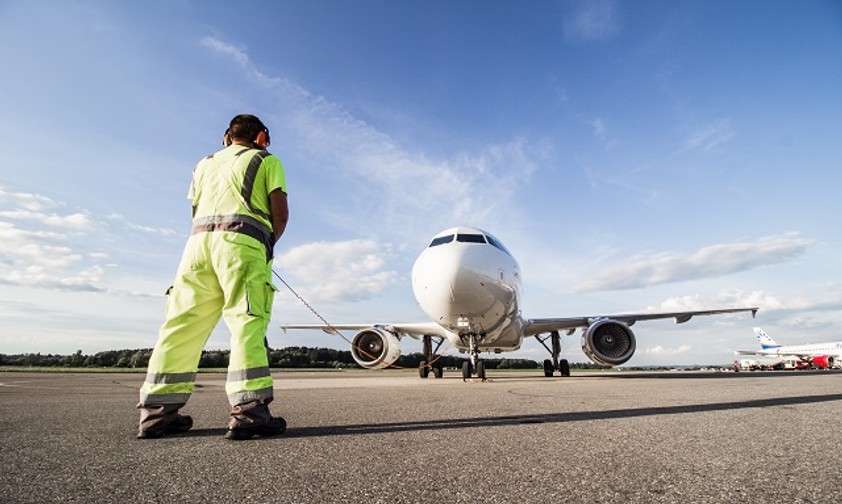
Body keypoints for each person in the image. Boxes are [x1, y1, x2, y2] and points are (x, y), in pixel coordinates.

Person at [137, 114, 289, 441]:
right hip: (241, 244)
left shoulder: (202, 164)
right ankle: (250, 413)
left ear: (225, 137)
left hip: (196, 246)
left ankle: (155, 414)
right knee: (247, 321)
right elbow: (280, 211)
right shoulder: (266, 160)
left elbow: (195, 205)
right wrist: (267, 245)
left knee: (180, 324)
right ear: (262, 136)